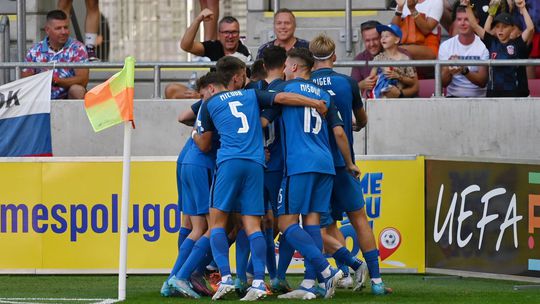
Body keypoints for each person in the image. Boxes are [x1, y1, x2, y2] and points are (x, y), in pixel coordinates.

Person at [194, 60, 330, 301]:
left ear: (213, 86)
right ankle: (258, 282)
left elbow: (202, 138)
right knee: (253, 225)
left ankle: (225, 278)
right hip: (256, 164)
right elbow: (284, 99)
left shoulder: (210, 103)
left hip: (229, 162)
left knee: (217, 223)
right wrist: (314, 103)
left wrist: (194, 133)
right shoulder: (251, 95)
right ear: (236, 79)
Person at [309, 33, 392, 296]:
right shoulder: (348, 83)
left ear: (311, 59)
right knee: (360, 221)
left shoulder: (305, 84)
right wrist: (351, 125)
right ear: (334, 56)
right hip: (344, 163)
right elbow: (361, 119)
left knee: (323, 226)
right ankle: (376, 281)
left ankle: (346, 270)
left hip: (317, 166)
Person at [464, 0, 533, 97]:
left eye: (504, 26)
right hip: (494, 95)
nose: (500, 30)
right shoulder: (491, 42)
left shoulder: (518, 43)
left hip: (516, 96)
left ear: (512, 28)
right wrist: (467, 6)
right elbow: (475, 26)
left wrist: (522, 8)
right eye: (497, 26)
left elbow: (530, 28)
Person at [22, 10, 89, 100]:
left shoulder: (78, 48)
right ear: (47, 30)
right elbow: (25, 80)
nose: (64, 32)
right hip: (41, 99)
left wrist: (56, 81)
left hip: (68, 98)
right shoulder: (35, 50)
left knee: (77, 90)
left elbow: (83, 80)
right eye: (58, 28)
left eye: (66, 27)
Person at [351, 20, 418, 98]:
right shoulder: (359, 59)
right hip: (376, 104)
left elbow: (415, 87)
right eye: (367, 40)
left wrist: (399, 94)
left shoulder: (404, 55)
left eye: (375, 39)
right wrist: (361, 85)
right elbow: (351, 89)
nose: (372, 44)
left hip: (403, 103)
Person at [439, 5, 489, 97]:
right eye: (459, 19)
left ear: (475, 21)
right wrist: (448, 69)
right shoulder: (446, 46)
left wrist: (464, 70)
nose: (462, 23)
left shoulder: (483, 46)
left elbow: (482, 82)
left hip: (478, 101)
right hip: (453, 99)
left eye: (466, 19)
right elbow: (443, 83)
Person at [368, 24, 418, 99]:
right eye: (382, 36)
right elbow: (371, 78)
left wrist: (398, 76)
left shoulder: (405, 59)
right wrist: (380, 76)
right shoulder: (378, 58)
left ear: (396, 40)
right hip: (381, 98)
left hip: (399, 99)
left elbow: (412, 82)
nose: (383, 39)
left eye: (387, 36)